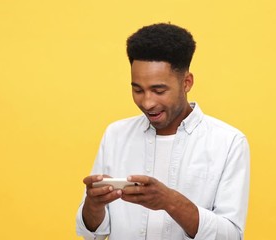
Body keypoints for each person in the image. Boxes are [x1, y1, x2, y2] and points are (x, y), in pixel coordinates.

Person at [76, 23, 250, 240]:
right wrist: (94, 204)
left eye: (159, 90)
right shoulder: (116, 135)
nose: (147, 102)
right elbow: (91, 233)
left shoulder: (229, 142)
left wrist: (169, 201)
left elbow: (231, 236)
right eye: (137, 89)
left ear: (186, 82)